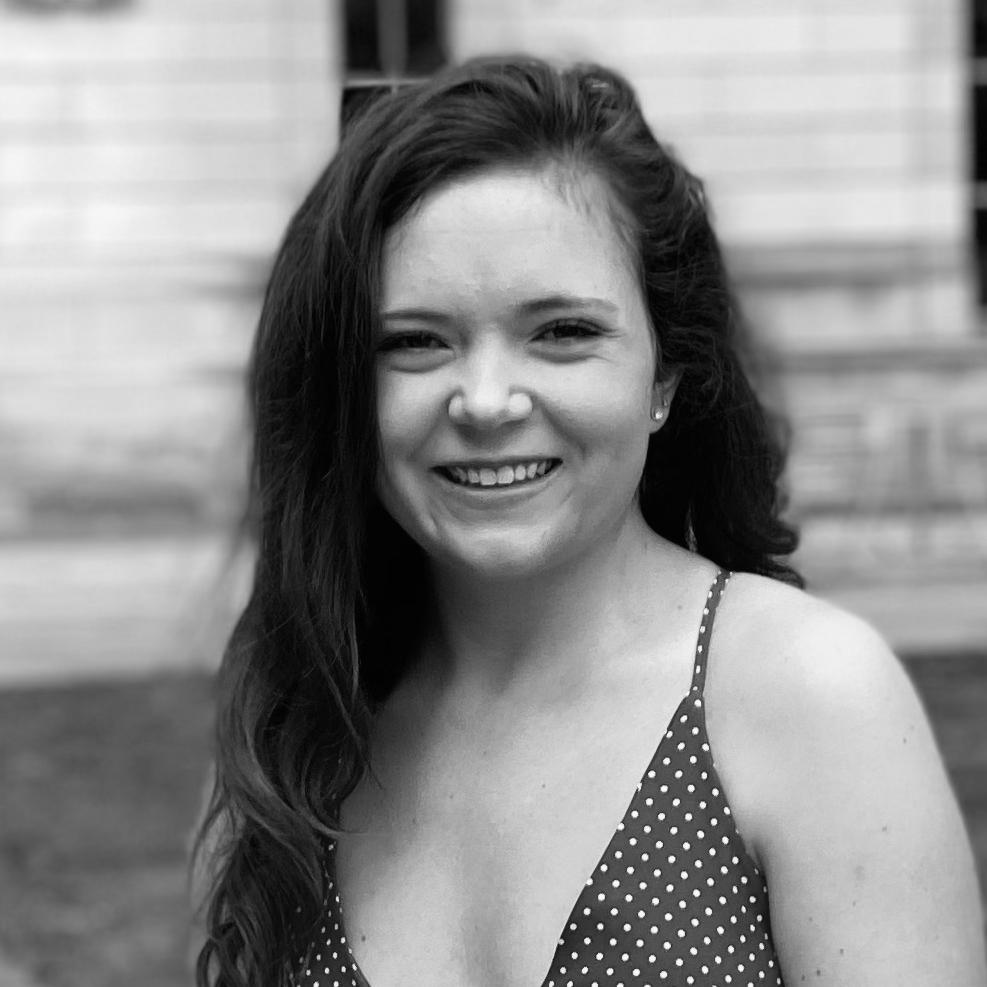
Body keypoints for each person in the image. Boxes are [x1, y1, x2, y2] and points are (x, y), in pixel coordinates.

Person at [192, 55, 987, 987]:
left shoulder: (809, 696)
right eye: (414, 342)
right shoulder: (289, 744)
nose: (485, 400)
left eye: (562, 332)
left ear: (664, 373)